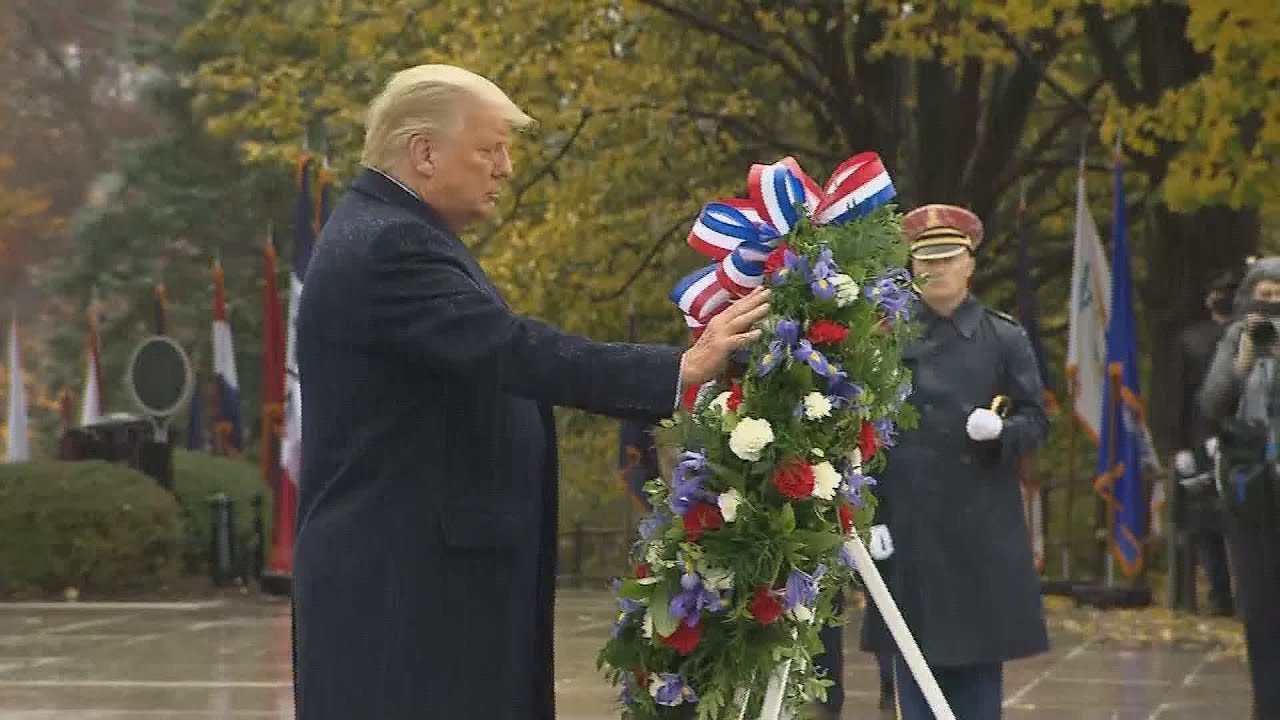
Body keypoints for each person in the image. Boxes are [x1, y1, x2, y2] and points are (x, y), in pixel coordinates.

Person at [290, 64, 770, 720]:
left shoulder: (397, 233)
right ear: (424, 152)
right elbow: (512, 350)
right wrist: (680, 369)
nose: (507, 168)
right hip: (410, 599)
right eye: (490, 148)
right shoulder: (390, 244)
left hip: (426, 589)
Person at [859, 204, 1050, 720]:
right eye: (925, 259)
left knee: (978, 681)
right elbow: (865, 432)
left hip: (980, 529)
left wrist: (1001, 433)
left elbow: (1037, 422)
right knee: (914, 670)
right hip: (911, 527)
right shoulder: (887, 340)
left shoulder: (1003, 337)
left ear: (969, 264)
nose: (935, 269)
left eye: (947, 258)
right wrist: (869, 514)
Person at [1198, 257, 1280, 720]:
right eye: (1263, 294)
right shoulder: (1236, 335)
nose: (1271, 304)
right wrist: (1243, 362)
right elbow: (1211, 404)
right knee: (1261, 603)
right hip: (1252, 487)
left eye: (1279, 295)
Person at [1167, 272, 1239, 616]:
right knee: (1206, 523)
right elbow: (1179, 395)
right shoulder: (1191, 340)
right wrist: (1180, 445)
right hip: (1200, 442)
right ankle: (1219, 596)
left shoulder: (1254, 337)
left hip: (1243, 438)